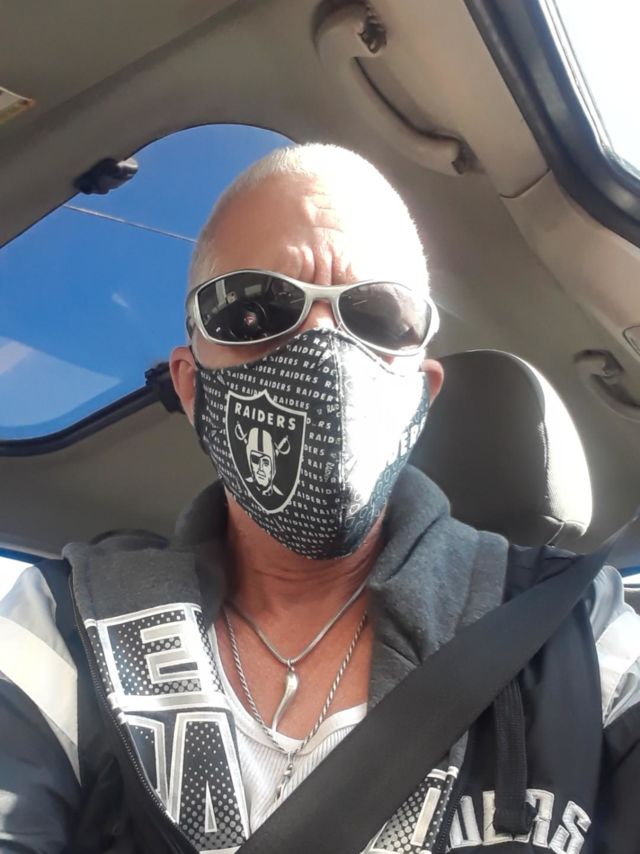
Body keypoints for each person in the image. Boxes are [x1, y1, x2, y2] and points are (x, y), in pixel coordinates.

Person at [1, 143, 640, 854]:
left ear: (420, 398)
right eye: (253, 312)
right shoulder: (65, 627)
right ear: (191, 385)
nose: (322, 348)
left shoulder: (583, 637)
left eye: (380, 316)